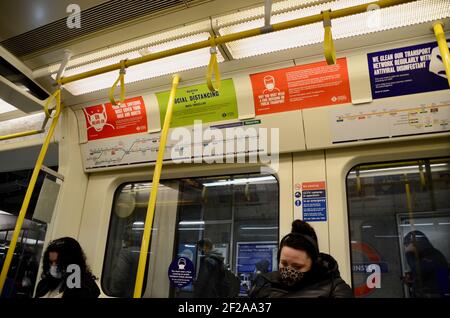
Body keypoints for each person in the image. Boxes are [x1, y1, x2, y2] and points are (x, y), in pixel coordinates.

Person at [249, 220, 353, 298]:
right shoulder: (264, 284)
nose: (288, 271)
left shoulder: (335, 288)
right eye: (284, 263)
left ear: (314, 263)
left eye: (297, 266)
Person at [35, 237, 100, 298]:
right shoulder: (44, 284)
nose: (53, 266)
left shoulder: (85, 288)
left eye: (57, 262)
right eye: (50, 262)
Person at [402, 230, 449, 298]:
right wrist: (411, 279)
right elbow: (426, 275)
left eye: (407, 245)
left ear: (414, 243)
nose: (406, 248)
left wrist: (408, 253)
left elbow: (419, 269)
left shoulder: (433, 254)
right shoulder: (422, 255)